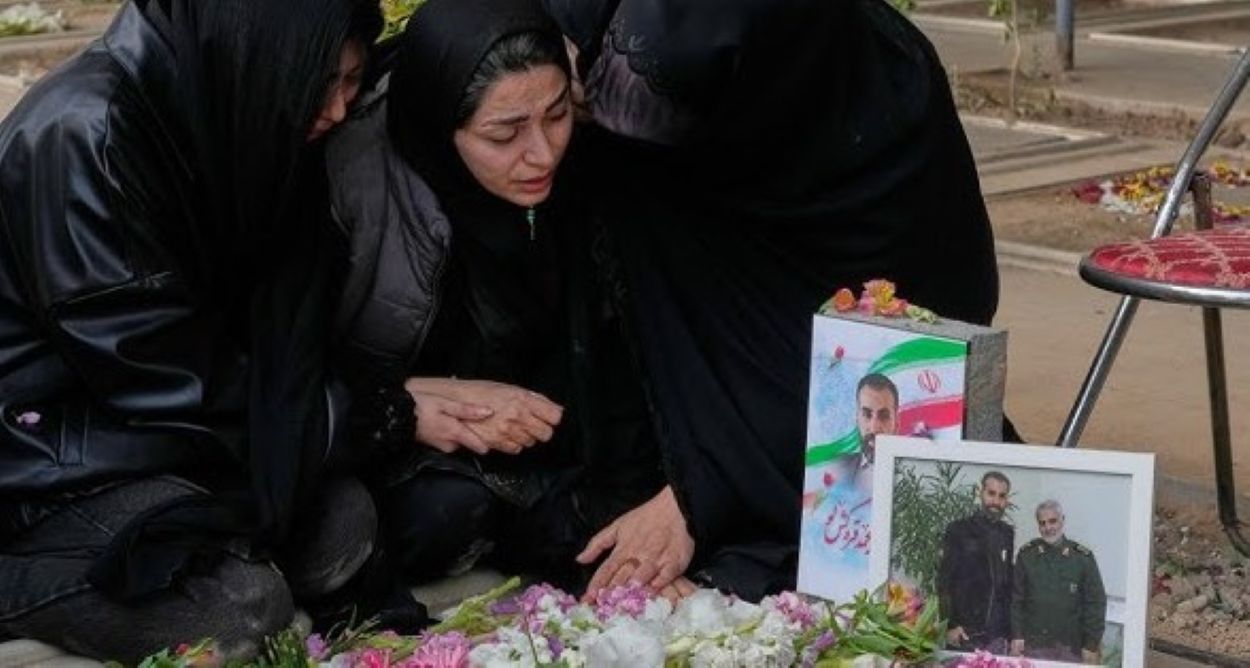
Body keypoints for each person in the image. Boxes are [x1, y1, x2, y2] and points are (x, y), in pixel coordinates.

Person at [539, 0, 1003, 599]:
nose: (542, 146)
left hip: (839, 379)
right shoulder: (648, 149)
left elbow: (922, 355)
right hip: (719, 308)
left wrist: (698, 492)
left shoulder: (885, 107)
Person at [0, 0, 403, 662]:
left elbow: (275, 327)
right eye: (321, 82)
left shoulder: (230, 101)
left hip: (160, 444)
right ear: (260, 57)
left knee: (345, 525)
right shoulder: (87, 135)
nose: (337, 109)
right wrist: (367, 413)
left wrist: (342, 414)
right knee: (240, 609)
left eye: (352, 81)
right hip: (48, 463)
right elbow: (163, 377)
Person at [328, 0, 671, 598]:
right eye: (503, 135)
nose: (542, 154)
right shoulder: (358, 183)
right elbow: (299, 371)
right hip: (410, 436)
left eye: (557, 115)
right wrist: (406, 401)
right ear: (441, 126)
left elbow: (618, 352)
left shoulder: (586, 163)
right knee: (438, 515)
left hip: (549, 428)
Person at [1011, 500, 1107, 663]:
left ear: (1062, 520)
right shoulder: (1027, 555)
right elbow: (1017, 599)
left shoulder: (1082, 558)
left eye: (1052, 521)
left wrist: (1091, 644)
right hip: (1034, 645)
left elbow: (1095, 603)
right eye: (1042, 523)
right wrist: (1017, 634)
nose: (1048, 527)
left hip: (1070, 647)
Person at [938, 471, 1014, 653]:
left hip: (997, 635)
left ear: (1006, 500)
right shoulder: (958, 529)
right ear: (980, 493)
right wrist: (949, 625)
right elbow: (944, 581)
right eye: (991, 493)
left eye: (1002, 496)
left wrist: (1010, 633)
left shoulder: (1007, 533)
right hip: (964, 632)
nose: (996, 501)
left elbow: (1007, 583)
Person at [855, 374, 900, 470]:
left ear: (896, 422)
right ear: (857, 419)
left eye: (884, 416)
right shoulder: (837, 469)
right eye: (867, 415)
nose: (874, 428)